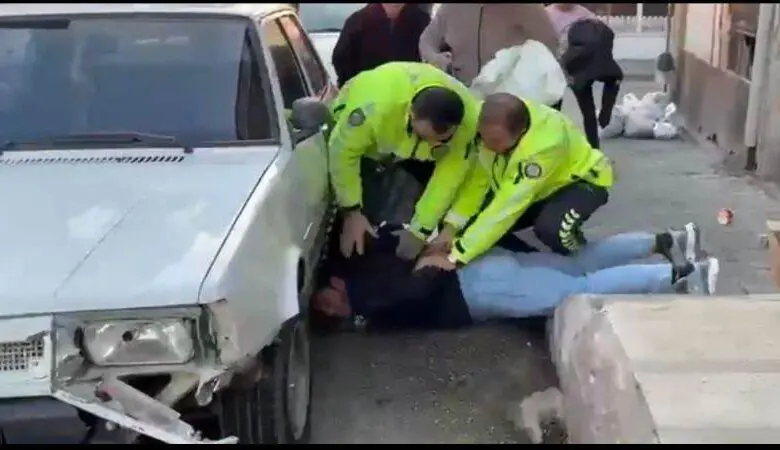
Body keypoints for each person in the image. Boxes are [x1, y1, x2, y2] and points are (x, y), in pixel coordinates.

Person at [312, 223, 718, 331]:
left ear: (335, 284)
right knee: (578, 265)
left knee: (579, 287)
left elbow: (414, 293)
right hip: (484, 264)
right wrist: (429, 258)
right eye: (328, 312)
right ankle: (667, 240)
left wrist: (428, 268)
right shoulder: (368, 262)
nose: (332, 309)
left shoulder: (369, 302)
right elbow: (401, 242)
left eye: (326, 302)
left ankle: (681, 275)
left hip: (482, 289)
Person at [421, 93, 613, 269]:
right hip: (534, 189)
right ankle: (531, 261)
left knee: (553, 229)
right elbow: (477, 183)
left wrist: (456, 256)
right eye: (484, 138)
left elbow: (508, 206)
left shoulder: (545, 146)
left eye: (495, 142)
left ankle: (581, 259)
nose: (487, 146)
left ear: (520, 132)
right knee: (464, 228)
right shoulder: (490, 125)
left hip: (578, 182)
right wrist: (451, 228)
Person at [328, 61, 481, 261]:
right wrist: (351, 211)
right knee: (358, 211)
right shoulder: (372, 109)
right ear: (410, 113)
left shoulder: (469, 126)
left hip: (405, 140)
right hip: (370, 130)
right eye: (424, 137)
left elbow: (447, 180)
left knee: (401, 204)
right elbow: (343, 154)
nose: (432, 145)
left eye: (442, 140)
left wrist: (419, 232)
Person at [418, 4, 558, 86]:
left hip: (509, 100)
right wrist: (437, 59)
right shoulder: (451, 7)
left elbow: (550, 45)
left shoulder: (528, 8)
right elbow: (427, 40)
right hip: (462, 90)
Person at [559, 17, 624, 150]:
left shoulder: (571, 53)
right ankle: (595, 142)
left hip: (580, 65)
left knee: (588, 111)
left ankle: (594, 145)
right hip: (588, 63)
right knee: (612, 79)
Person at [331, 3, 430, 88]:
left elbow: (432, 57)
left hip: (411, 93)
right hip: (368, 93)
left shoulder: (422, 22)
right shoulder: (358, 22)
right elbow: (340, 58)